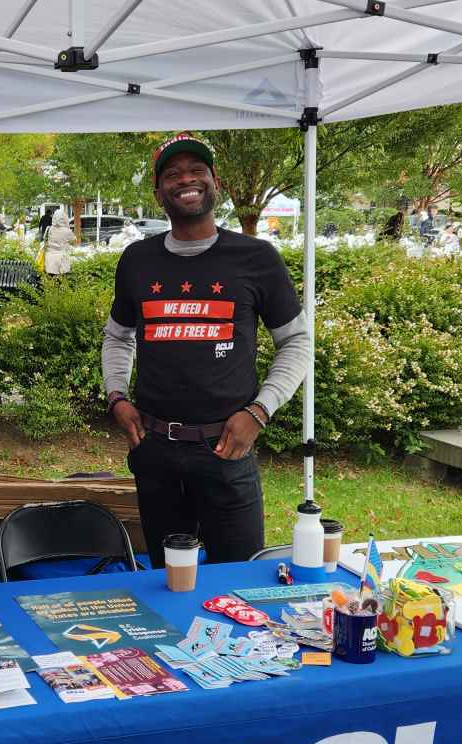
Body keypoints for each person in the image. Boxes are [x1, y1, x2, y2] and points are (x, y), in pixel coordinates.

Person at [101, 133, 312, 568]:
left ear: (216, 181)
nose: (186, 180)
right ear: (158, 192)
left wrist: (259, 412)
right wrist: (116, 397)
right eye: (173, 174)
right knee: (167, 580)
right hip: (155, 451)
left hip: (227, 451)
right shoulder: (137, 259)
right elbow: (118, 336)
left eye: (197, 171)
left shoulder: (257, 257)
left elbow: (296, 341)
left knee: (238, 580)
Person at [43, 207, 75, 276]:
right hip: (62, 261)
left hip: (49, 259)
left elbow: (44, 239)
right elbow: (73, 241)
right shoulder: (67, 231)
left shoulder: (49, 229)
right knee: (61, 282)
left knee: (50, 282)